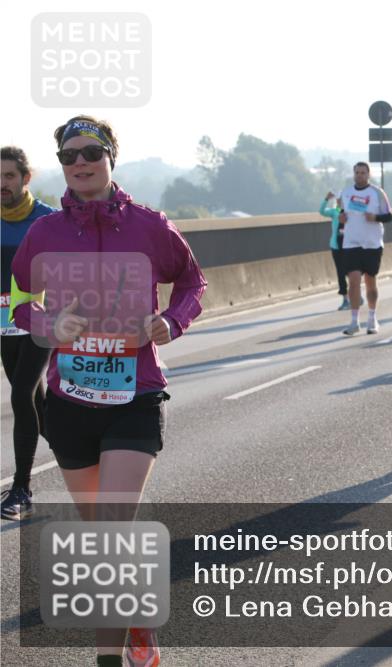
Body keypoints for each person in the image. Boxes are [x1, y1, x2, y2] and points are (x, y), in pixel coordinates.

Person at [11, 115, 207, 667]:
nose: (80, 164)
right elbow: (18, 299)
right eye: (68, 156)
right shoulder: (44, 232)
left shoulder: (150, 225)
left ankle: (106, 660)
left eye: (90, 153)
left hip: (134, 395)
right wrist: (47, 326)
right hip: (70, 400)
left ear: (110, 156)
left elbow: (192, 282)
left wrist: (173, 320)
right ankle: (137, 622)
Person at [1, 146, 56, 521]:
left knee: (20, 394)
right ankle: (79, 453)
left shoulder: (48, 220)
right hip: (4, 325)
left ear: (25, 178)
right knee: (36, 402)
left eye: (8, 176)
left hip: (39, 324)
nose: (2, 184)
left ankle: (21, 488)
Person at [338, 162, 392, 335]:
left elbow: (389, 216)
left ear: (368, 175)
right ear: (353, 174)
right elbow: (342, 213)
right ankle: (354, 321)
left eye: (363, 173)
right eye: (357, 172)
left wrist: (376, 217)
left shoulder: (377, 193)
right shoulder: (346, 193)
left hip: (372, 243)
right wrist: (341, 218)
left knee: (370, 281)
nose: (360, 175)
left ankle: (372, 318)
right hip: (351, 242)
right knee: (353, 282)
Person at [319, 190, 354, 311]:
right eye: (339, 199)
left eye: (342, 199)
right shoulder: (334, 212)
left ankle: (355, 295)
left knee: (352, 272)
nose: (340, 201)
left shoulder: (351, 212)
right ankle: (345, 299)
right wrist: (326, 199)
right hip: (336, 247)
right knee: (341, 273)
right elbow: (321, 211)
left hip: (349, 246)